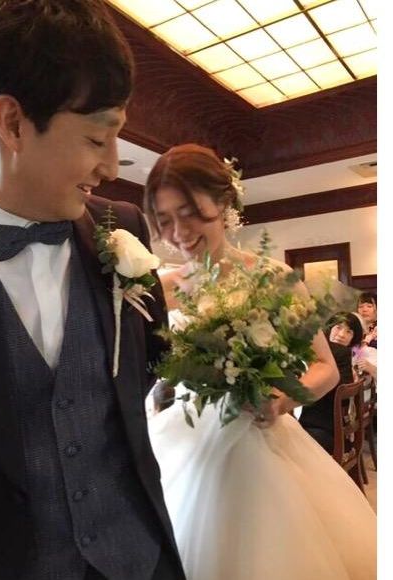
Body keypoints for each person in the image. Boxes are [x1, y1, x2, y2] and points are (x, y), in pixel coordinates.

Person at [0, 2, 186, 579]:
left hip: (136, 559)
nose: (113, 167)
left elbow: (155, 361)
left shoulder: (124, 226)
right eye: (97, 138)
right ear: (11, 122)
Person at [143, 144, 377, 580]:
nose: (178, 232)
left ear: (224, 203)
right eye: (164, 220)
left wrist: (280, 400)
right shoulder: (160, 288)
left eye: (190, 213)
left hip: (260, 437)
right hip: (183, 439)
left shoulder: (274, 278)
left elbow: (325, 368)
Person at [299, 312, 363, 453]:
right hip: (334, 429)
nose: (341, 335)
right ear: (329, 328)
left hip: (322, 430)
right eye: (338, 328)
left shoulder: (342, 354)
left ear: (354, 338)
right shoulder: (344, 356)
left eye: (349, 332)